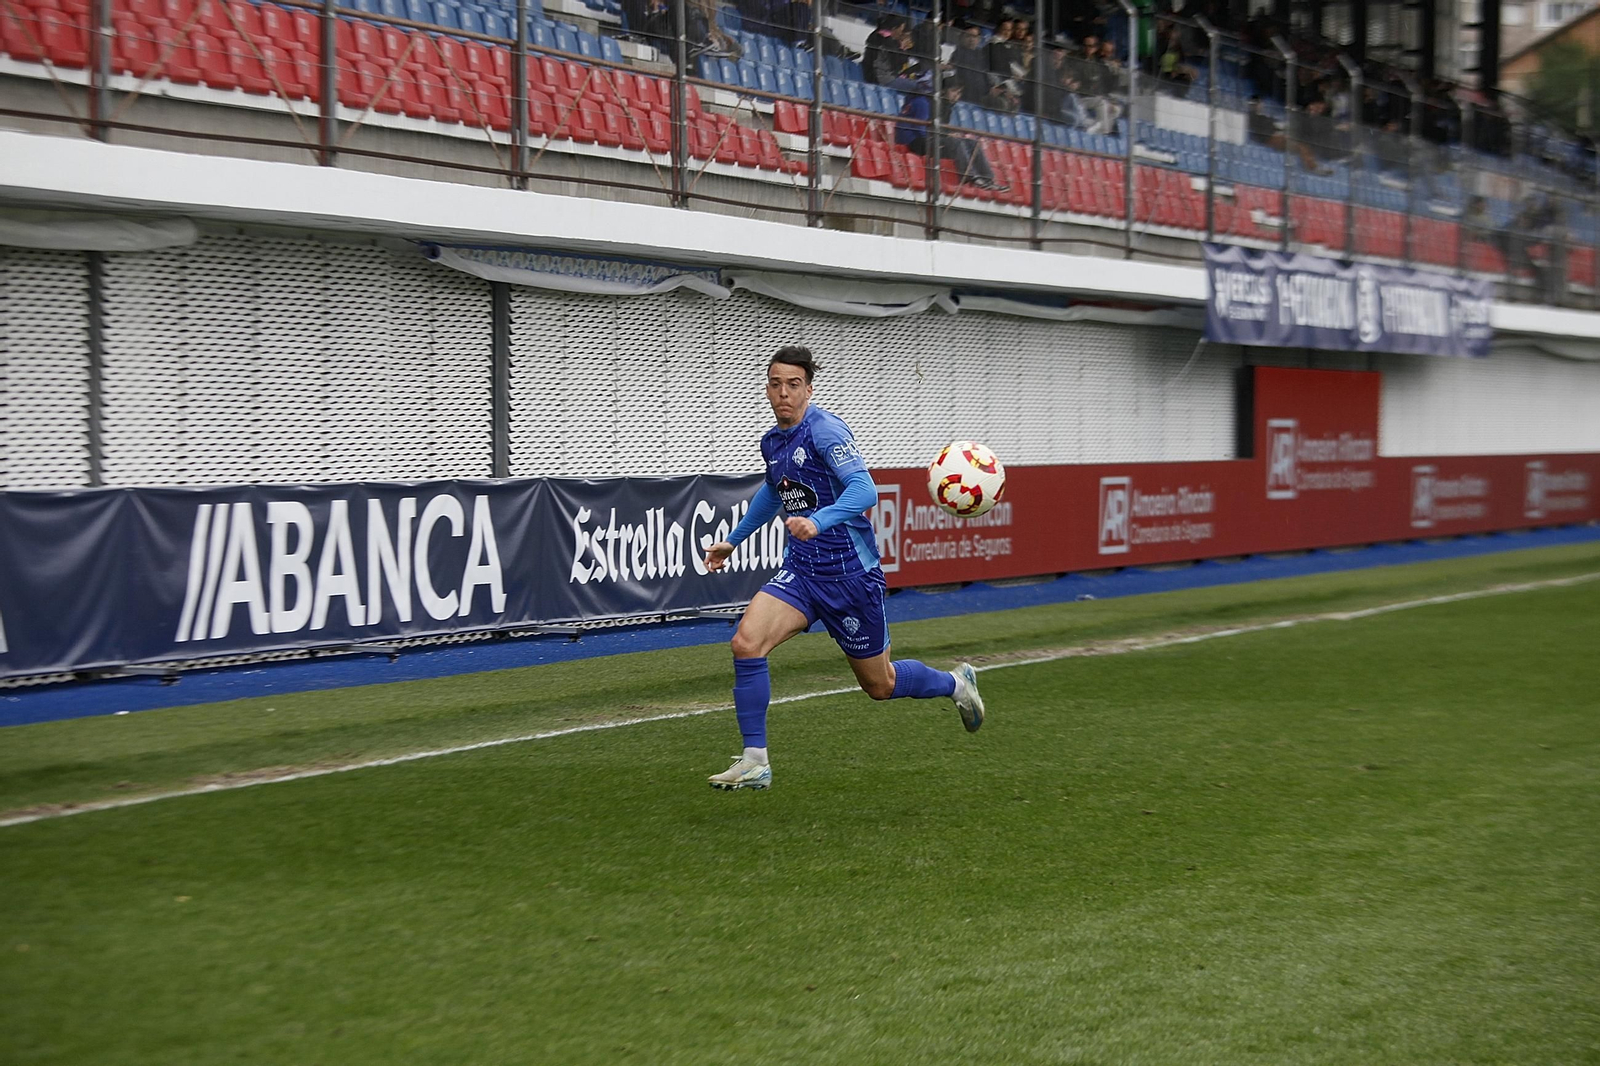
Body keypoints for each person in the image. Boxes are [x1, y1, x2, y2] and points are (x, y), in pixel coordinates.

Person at [703, 346, 986, 791]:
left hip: (851, 577)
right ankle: (755, 760)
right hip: (802, 572)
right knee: (746, 642)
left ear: (808, 389)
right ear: (767, 389)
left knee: (880, 684)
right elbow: (773, 493)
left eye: (793, 385)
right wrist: (733, 541)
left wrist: (817, 521)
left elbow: (863, 489)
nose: (783, 393)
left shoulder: (826, 432)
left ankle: (955, 683)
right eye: (775, 384)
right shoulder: (773, 442)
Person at [897, 76, 1007, 190]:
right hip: (917, 143)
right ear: (944, 90)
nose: (956, 96)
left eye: (959, 93)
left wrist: (946, 134)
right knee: (955, 143)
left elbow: (940, 130)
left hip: (931, 140)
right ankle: (969, 177)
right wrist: (945, 135)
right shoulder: (923, 102)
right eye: (953, 91)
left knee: (973, 144)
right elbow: (922, 131)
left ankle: (987, 179)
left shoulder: (946, 107)